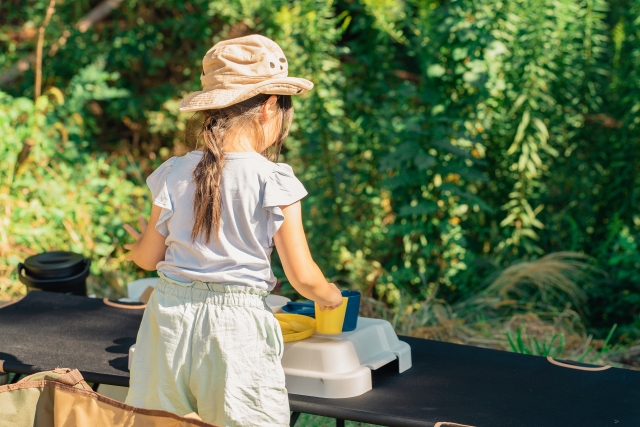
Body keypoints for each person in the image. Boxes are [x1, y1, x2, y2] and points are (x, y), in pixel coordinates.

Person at [122, 34, 343, 426]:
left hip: (166, 321)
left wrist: (143, 237)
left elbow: (145, 260)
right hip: (235, 330)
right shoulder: (275, 180)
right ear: (270, 107)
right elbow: (303, 276)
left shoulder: (173, 172)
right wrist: (330, 295)